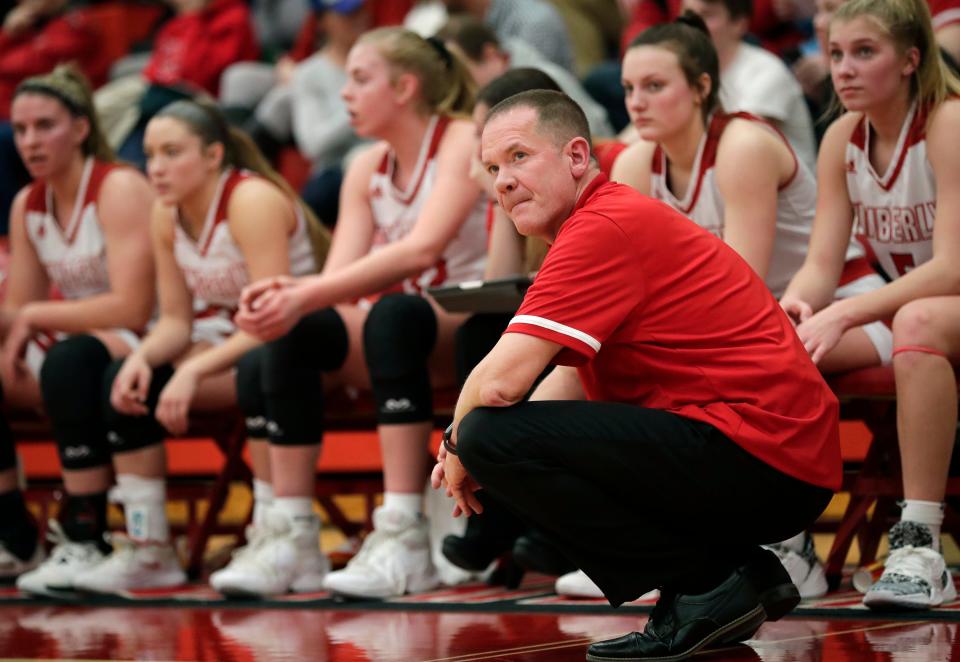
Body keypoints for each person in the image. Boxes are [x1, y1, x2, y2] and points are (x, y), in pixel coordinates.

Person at [432, 89, 839, 660]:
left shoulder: (601, 228)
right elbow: (561, 384)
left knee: (487, 434)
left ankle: (704, 585)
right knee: (504, 438)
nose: (501, 180)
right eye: (493, 167)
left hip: (761, 449)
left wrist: (457, 446)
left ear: (577, 157)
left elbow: (499, 383)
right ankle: (734, 571)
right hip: (776, 454)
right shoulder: (605, 220)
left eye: (519, 157)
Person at [31, 98, 326, 596]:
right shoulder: (165, 214)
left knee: (259, 366)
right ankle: (149, 549)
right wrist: (143, 359)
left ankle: (279, 535)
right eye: (150, 155)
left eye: (172, 153)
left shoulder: (249, 200)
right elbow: (173, 320)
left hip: (298, 343)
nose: (157, 168)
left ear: (213, 156)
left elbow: (272, 318)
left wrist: (192, 371)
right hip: (229, 344)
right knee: (124, 384)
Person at [234, 27, 487, 600]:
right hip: (393, 332)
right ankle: (292, 534)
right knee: (294, 332)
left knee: (393, 315)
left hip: (469, 328)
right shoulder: (364, 166)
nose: (343, 92)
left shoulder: (460, 139)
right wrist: (290, 295)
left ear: (405, 87)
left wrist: (304, 292)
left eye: (359, 78)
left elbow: (422, 250)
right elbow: (337, 286)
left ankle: (404, 532)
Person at [780, 0, 960, 611]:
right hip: (916, 308)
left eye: (864, 52)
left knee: (915, 318)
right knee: (785, 343)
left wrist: (849, 311)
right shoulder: (841, 137)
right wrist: (797, 306)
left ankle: (920, 544)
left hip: (938, 303)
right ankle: (789, 544)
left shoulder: (948, 122)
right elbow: (822, 264)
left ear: (910, 60)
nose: (844, 69)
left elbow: (954, 268)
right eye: (835, 53)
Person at [0, 65, 154, 591]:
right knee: (60, 359)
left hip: (152, 338)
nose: (30, 142)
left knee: (70, 362)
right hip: (82, 340)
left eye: (45, 126)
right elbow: (20, 307)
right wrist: (27, 317)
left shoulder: (119, 187)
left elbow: (133, 306)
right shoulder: (28, 203)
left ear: (82, 128)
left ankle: (86, 532)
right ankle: (14, 532)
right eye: (20, 130)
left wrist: (34, 317)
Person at [680, 0, 818, 172]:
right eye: (687, 15)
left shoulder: (766, 71)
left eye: (706, 15)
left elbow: (738, 144)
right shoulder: (684, 73)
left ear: (739, 24)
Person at [438, 15, 613, 138]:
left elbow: (591, 137)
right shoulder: (480, 98)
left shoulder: (543, 78)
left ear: (490, 54)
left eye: (462, 69)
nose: (457, 80)